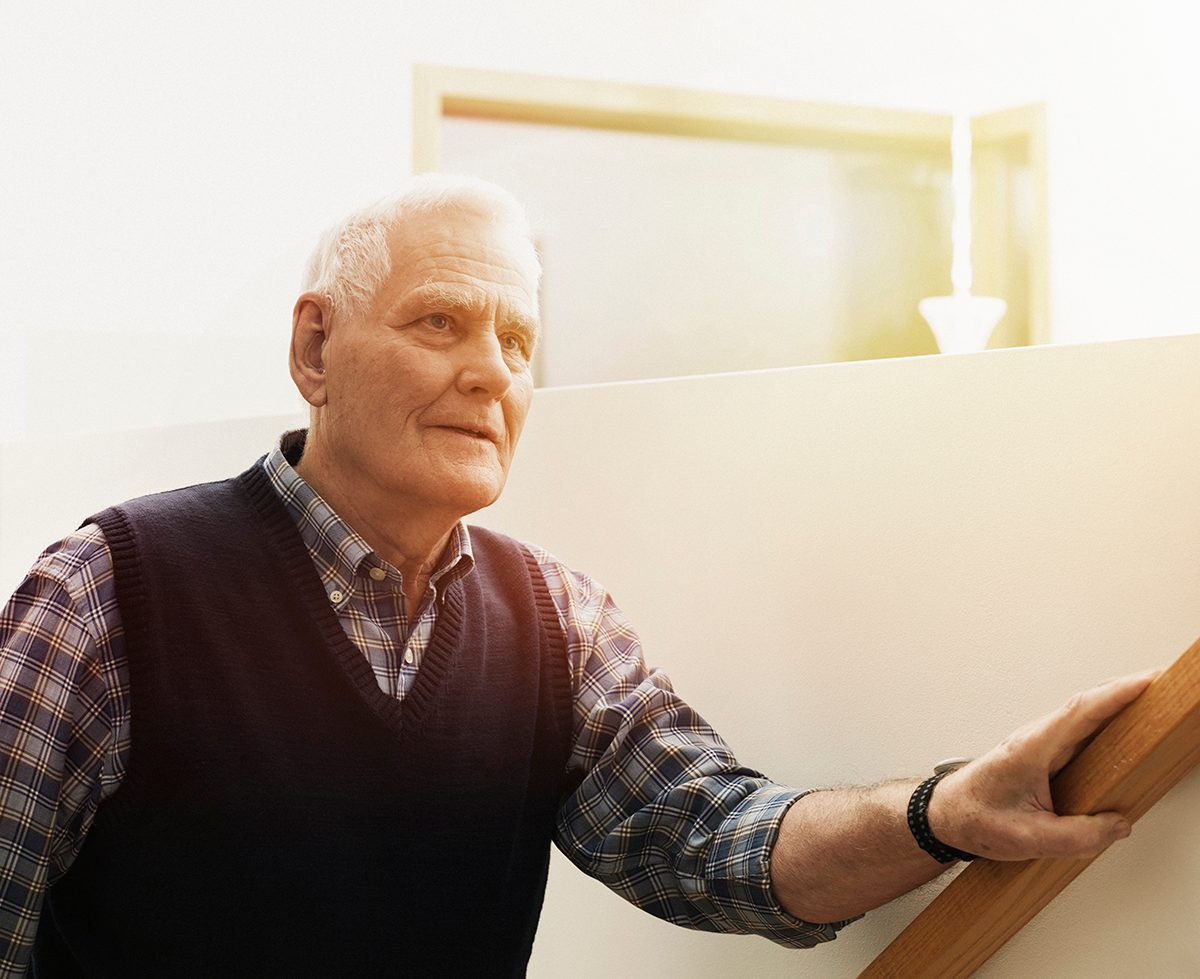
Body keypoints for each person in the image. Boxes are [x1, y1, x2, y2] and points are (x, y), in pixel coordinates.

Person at [0, 175, 1151, 977]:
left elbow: (715, 845)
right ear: (314, 349)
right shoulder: (110, 591)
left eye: (516, 342)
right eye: (441, 321)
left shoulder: (554, 619)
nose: (487, 374)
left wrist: (940, 812)